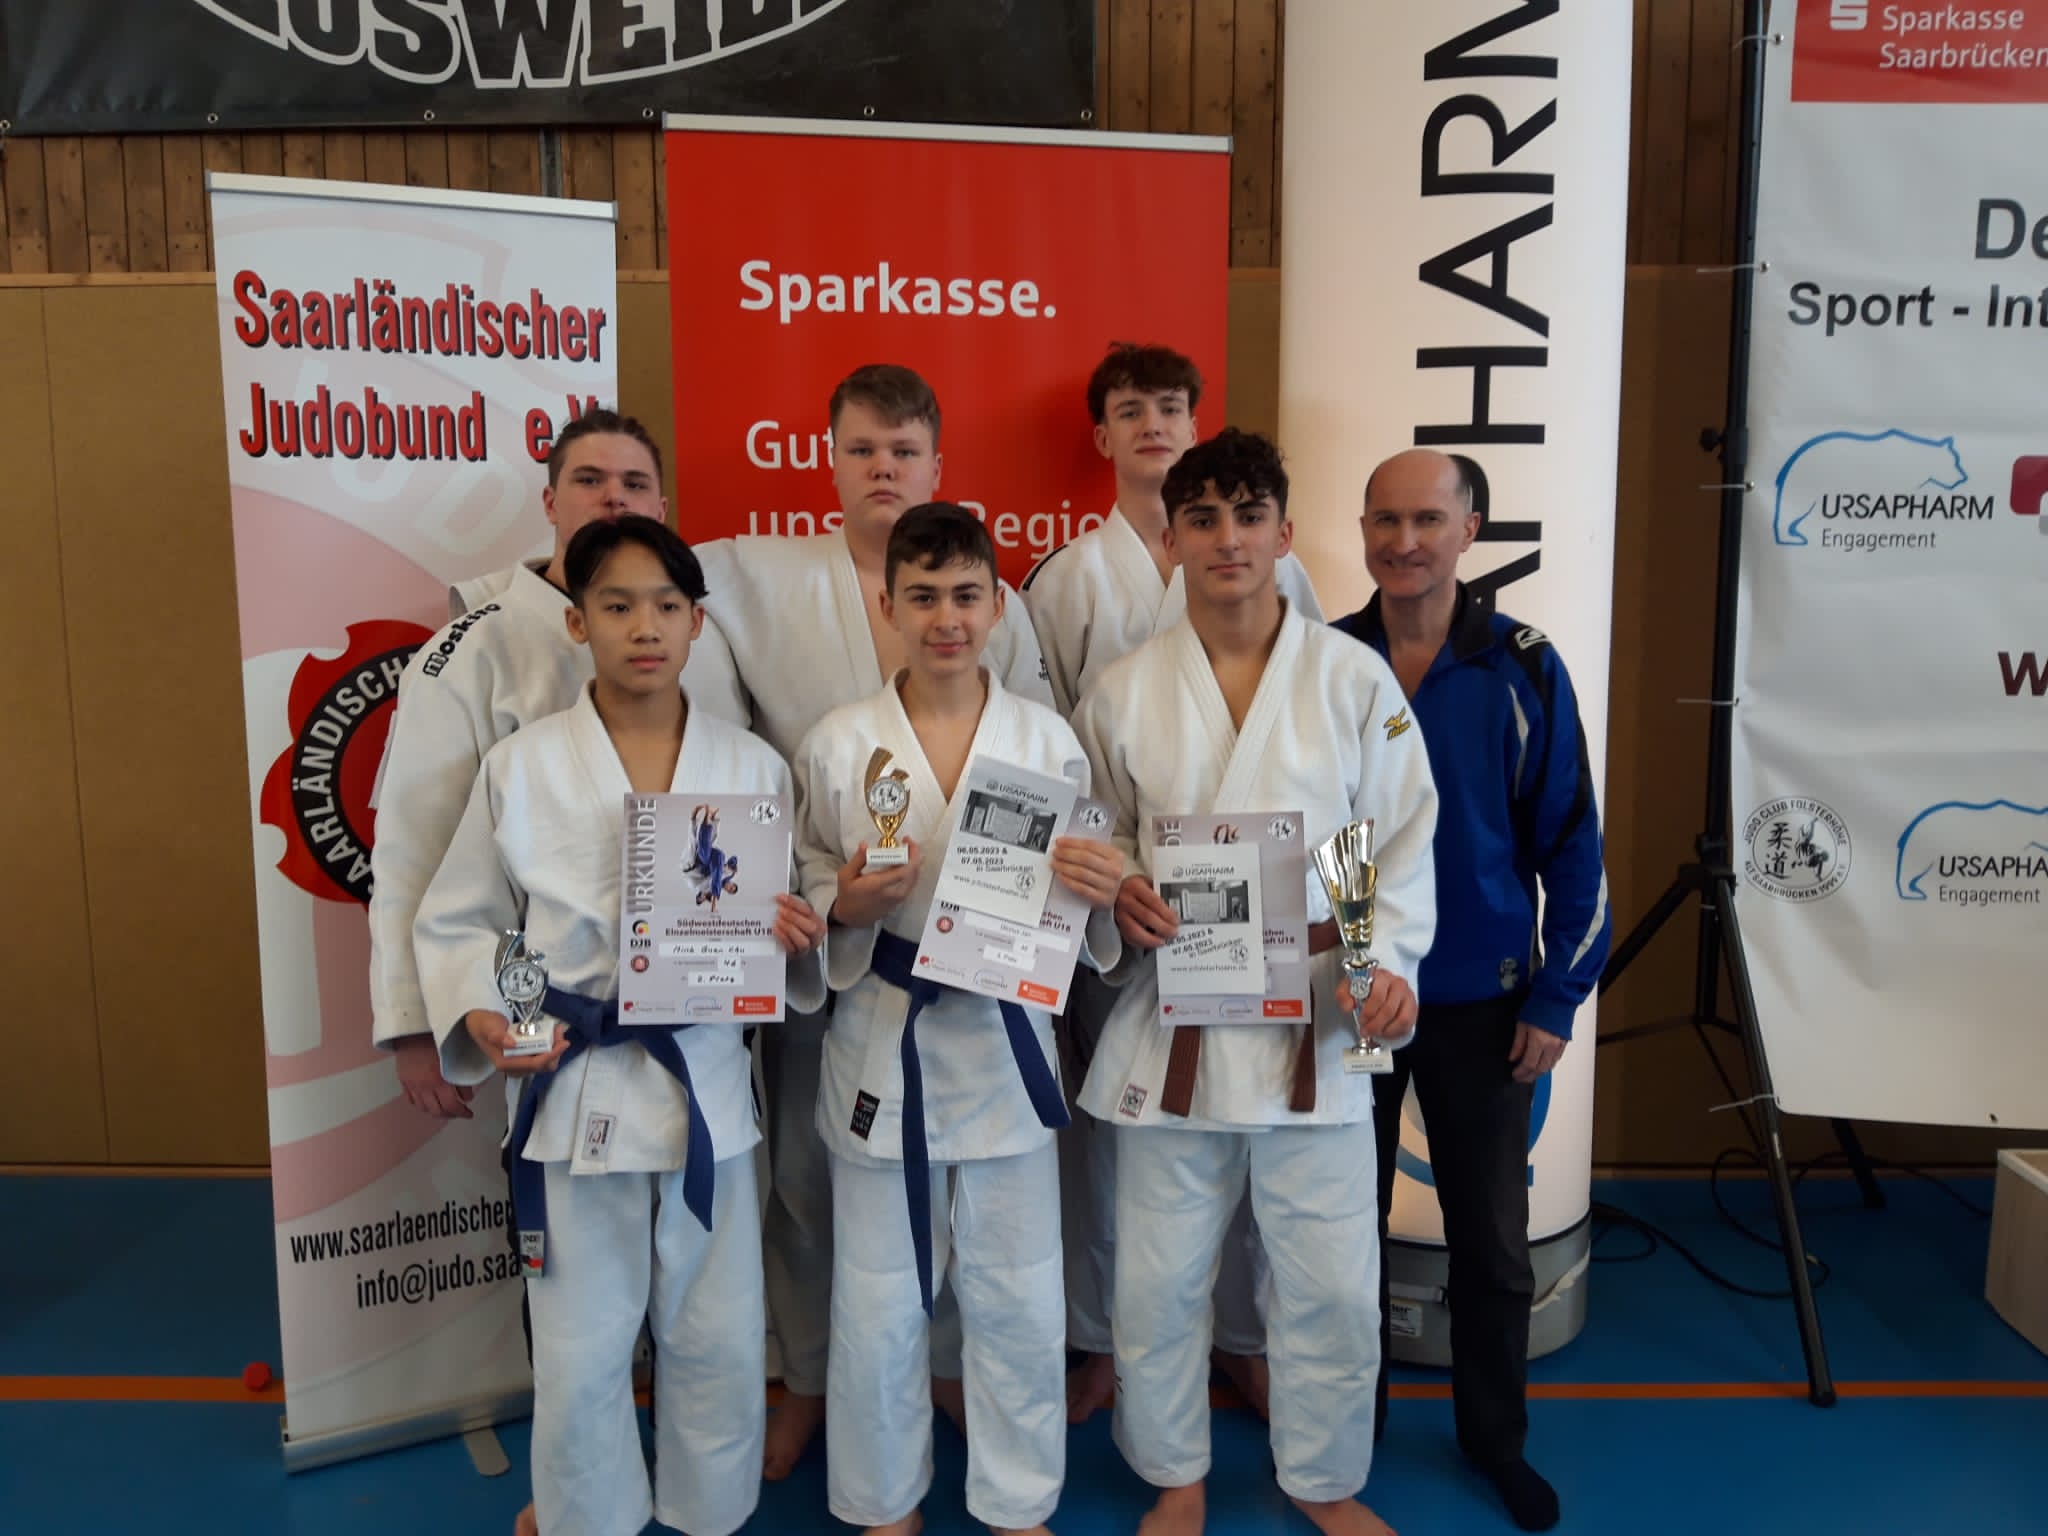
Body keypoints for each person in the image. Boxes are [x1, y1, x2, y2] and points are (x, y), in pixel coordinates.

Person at [414, 515, 827, 1536]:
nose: (644, 627)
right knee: (581, 1344)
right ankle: (587, 1518)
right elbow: (466, 920)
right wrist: (486, 1014)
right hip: (577, 1084)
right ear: (576, 624)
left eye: (666, 606)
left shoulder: (752, 769)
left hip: (704, 1089)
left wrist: (794, 935)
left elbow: (779, 934)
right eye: (616, 605)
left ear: (697, 624)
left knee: (717, 1333)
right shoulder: (521, 767)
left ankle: (707, 1513)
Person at [680, 363, 1054, 1476]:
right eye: (861, 450)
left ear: (937, 465)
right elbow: (654, 603)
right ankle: (811, 1379)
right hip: (833, 945)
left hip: (979, 963)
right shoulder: (752, 577)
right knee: (813, 1182)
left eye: (902, 451)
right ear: (829, 460)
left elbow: (1036, 776)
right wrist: (818, 903)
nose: (881, 468)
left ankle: (948, 1376)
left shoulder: (1002, 615)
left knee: (976, 1214)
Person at [1072, 429, 1438, 1536]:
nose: (1226, 538)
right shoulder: (1123, 691)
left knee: (1329, 1279)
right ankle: (1174, 1472)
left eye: (1248, 516)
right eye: (1202, 519)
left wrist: (1385, 965)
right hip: (1173, 1020)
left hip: (1315, 1021)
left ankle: (1323, 1480)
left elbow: (1390, 838)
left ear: (1284, 533)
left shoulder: (1351, 678)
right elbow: (1095, 836)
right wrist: (1121, 892)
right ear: (1172, 540)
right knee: (1158, 1276)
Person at [792, 503, 1123, 1536]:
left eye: (967, 595)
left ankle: (1017, 1501)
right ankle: (883, 1501)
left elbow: (1079, 903)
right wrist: (842, 905)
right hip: (881, 1042)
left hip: (1003, 1043)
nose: (946, 618)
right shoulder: (838, 742)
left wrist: (1096, 889)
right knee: (878, 1295)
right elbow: (803, 878)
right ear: (888, 605)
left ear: (998, 607)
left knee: (1018, 1294)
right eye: (923, 596)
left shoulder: (1046, 740)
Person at [1022, 341, 1323, 1420]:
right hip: (1136, 913)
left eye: (1169, 406)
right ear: (1101, 435)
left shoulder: (1287, 578)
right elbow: (1056, 758)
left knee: (1255, 1132)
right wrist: (1108, 885)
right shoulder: (1066, 578)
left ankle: (1242, 1335)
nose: (1151, 422)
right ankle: (1109, 1338)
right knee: (1126, 1141)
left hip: (1268, 918)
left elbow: (1316, 750)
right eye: (1129, 408)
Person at [1334, 449, 1611, 1534]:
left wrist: (1555, 997)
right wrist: (1334, 968)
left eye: (1426, 520)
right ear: (1362, 530)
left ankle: (1495, 1442)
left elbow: (1571, 843)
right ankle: (1340, 1437)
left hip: (1483, 1005)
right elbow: (1311, 830)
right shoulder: (1327, 660)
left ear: (1469, 530)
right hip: (1352, 1000)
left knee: (1492, 1246)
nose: (1402, 541)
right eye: (1384, 520)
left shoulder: (1521, 668)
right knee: (1338, 1237)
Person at [370, 408, 675, 1117]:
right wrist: (415, 1018)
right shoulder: (472, 650)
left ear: (660, 508)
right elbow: (415, 845)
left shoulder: (697, 638)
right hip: (540, 1001)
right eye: (589, 480)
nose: (614, 497)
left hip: (687, 994)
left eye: (633, 483)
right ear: (550, 501)